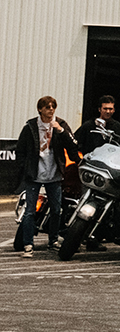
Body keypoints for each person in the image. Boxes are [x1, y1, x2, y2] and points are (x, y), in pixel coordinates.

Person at [15, 96, 80, 255]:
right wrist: (25, 167)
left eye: (53, 107)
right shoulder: (31, 126)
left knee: (56, 210)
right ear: (40, 110)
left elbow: (73, 145)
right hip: (34, 174)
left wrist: (61, 131)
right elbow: (20, 150)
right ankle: (28, 245)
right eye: (47, 107)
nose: (51, 110)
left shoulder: (61, 124)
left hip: (54, 173)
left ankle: (53, 240)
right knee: (30, 211)